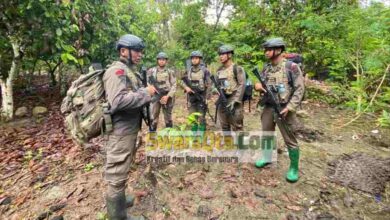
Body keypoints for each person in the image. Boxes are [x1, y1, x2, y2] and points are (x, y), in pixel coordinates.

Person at [103, 34, 156, 219]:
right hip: (120, 133)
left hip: (128, 131)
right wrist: (145, 93)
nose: (140, 54)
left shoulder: (128, 71)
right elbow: (118, 101)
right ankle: (118, 217)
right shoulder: (116, 71)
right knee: (117, 175)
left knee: (123, 169)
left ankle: (120, 201)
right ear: (123, 51)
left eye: (141, 51)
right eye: (137, 51)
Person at [254, 38, 305, 183]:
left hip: (285, 108)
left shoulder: (291, 67)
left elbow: (300, 89)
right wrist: (257, 86)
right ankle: (267, 157)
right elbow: (261, 83)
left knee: (290, 139)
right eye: (265, 50)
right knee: (267, 133)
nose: (266, 52)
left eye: (269, 49)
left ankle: (294, 168)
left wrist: (290, 107)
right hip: (269, 106)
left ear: (278, 50)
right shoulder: (267, 68)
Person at [215, 45, 246, 131]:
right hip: (222, 99)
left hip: (234, 99)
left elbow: (242, 84)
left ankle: (240, 144)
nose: (220, 56)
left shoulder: (237, 68)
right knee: (224, 126)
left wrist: (236, 100)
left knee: (237, 126)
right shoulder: (219, 70)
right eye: (220, 54)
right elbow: (217, 84)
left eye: (223, 54)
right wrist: (216, 90)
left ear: (229, 55)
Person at [180, 50, 212, 132]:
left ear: (200, 59)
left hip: (202, 97)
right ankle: (194, 136)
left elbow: (209, 84)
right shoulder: (188, 70)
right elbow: (181, 81)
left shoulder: (205, 70)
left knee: (201, 118)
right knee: (192, 118)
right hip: (192, 98)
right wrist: (186, 87)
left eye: (196, 58)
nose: (194, 60)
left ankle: (201, 136)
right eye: (193, 58)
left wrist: (207, 98)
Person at [147, 52, 176, 131]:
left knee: (168, 117)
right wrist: (151, 87)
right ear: (157, 60)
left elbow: (174, 85)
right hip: (156, 96)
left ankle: (169, 136)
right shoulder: (152, 71)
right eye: (160, 59)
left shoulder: (170, 72)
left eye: (163, 60)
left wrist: (168, 96)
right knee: (154, 116)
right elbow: (147, 82)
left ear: (166, 61)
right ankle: (152, 137)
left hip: (166, 96)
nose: (161, 61)